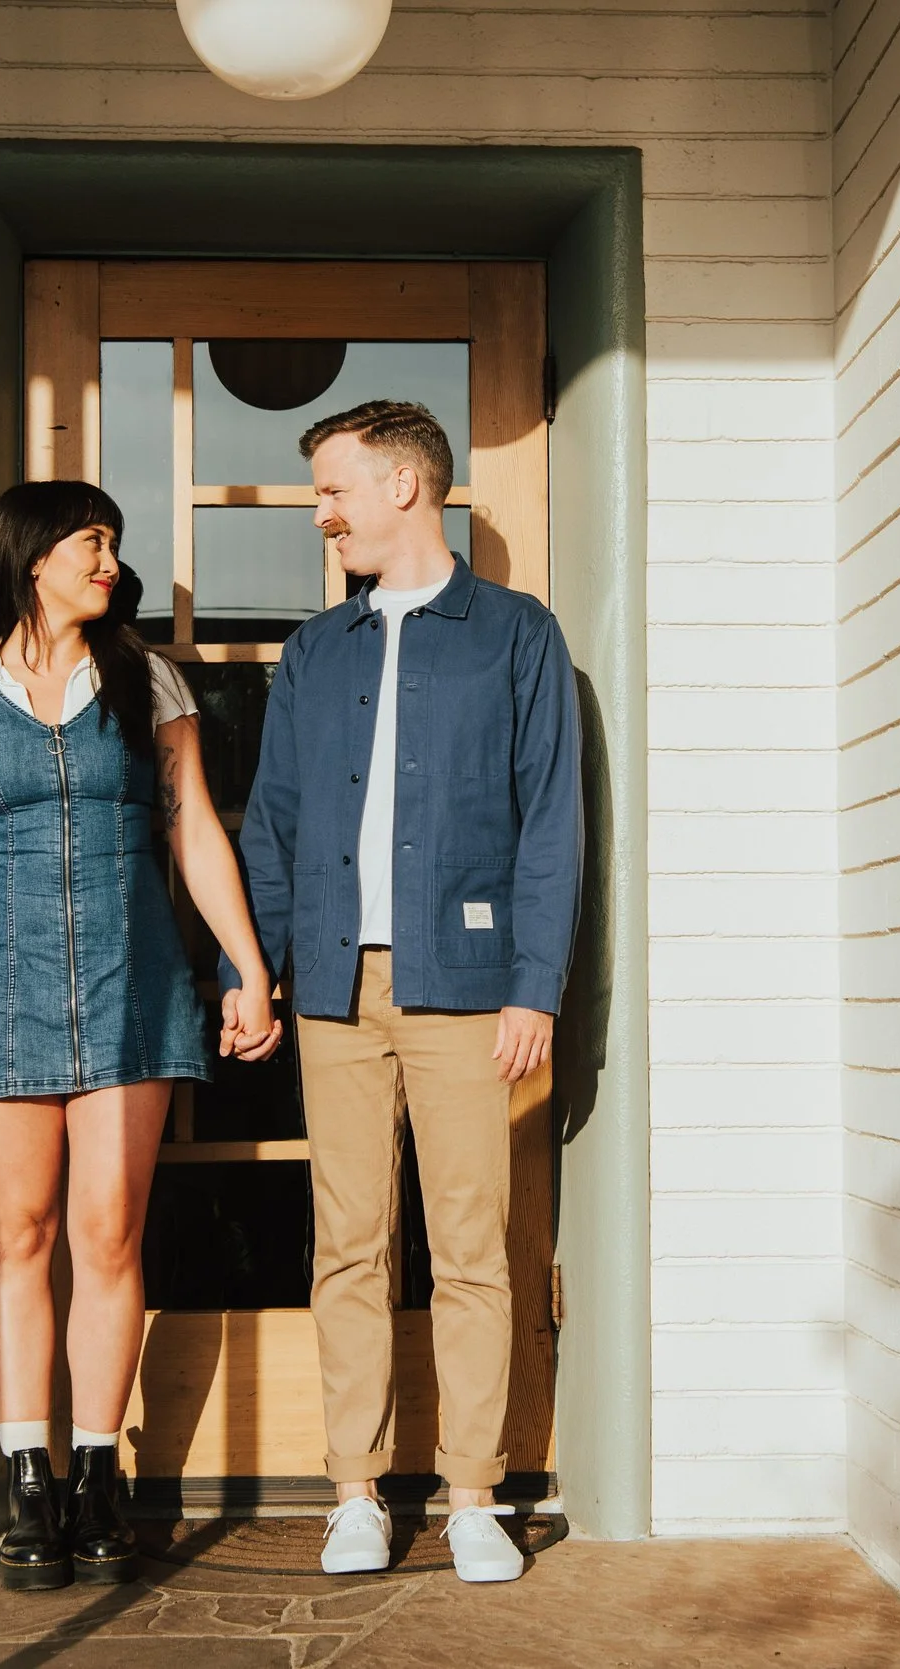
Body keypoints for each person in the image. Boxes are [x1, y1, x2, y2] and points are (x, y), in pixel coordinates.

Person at [0, 480, 284, 1590]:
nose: (111, 562)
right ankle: (30, 1475)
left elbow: (195, 828)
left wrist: (247, 968)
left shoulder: (143, 677)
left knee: (107, 1234)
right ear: (30, 557)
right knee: (19, 1229)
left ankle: (98, 1469)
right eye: (92, 543)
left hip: (132, 975)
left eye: (112, 542)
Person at [223, 401, 582, 1583]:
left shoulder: (515, 635)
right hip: (331, 990)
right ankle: (356, 1492)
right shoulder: (316, 653)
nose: (321, 514)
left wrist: (535, 985)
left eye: (334, 490)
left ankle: (475, 1494)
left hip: (469, 991)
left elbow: (550, 830)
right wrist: (256, 966)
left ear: (405, 487)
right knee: (348, 1246)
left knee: (474, 1250)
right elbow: (269, 823)